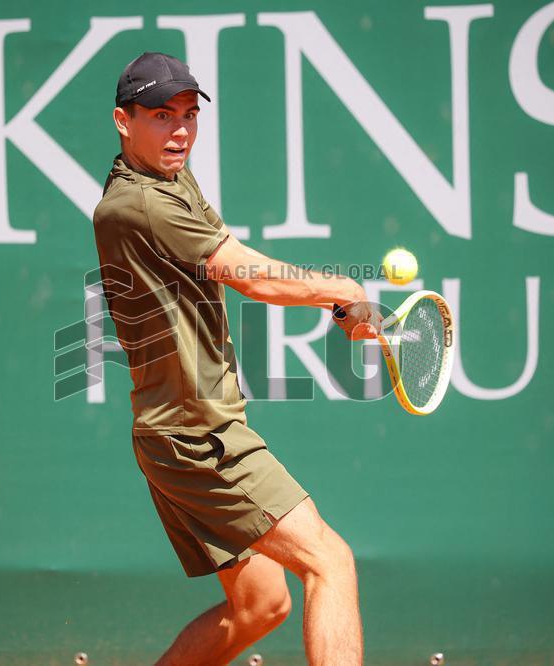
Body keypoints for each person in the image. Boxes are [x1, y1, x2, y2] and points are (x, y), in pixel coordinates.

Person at [92, 52, 381, 666]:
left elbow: (231, 255)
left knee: (259, 606)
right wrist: (342, 290)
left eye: (189, 115)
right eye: (162, 116)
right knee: (330, 561)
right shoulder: (141, 204)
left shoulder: (170, 180)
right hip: (197, 437)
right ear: (123, 121)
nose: (180, 131)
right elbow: (248, 274)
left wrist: (334, 303)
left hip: (177, 433)